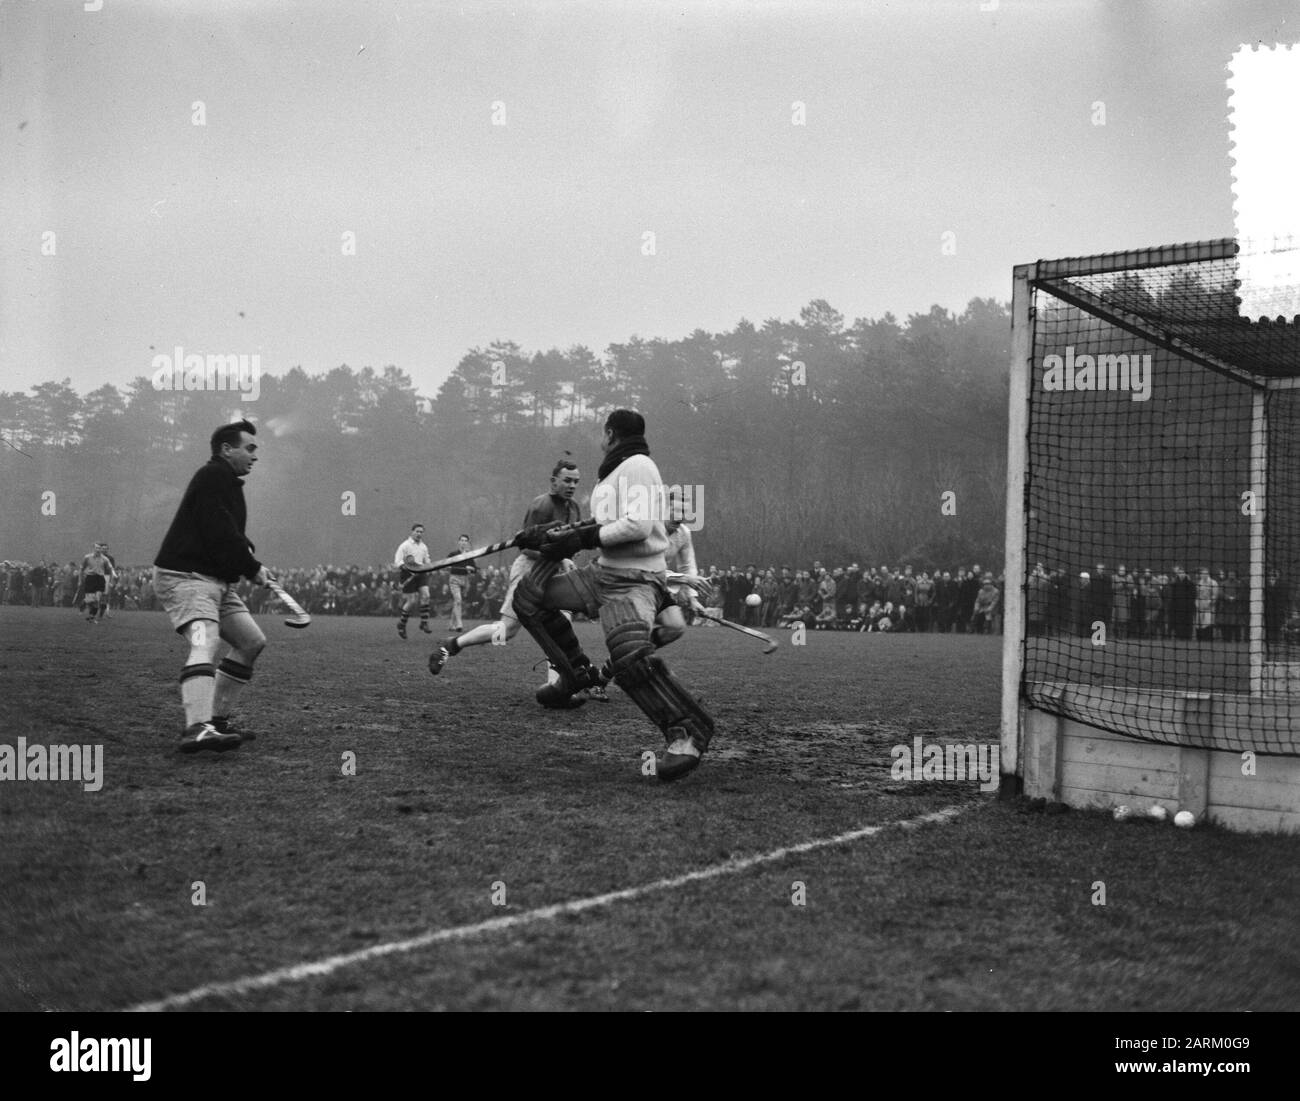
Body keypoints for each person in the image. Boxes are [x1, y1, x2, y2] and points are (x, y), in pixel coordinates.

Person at [509, 409, 716, 782]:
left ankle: (687, 733)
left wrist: (579, 538)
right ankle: (574, 676)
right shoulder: (615, 472)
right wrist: (551, 536)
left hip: (634, 579)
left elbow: (636, 527)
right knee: (529, 598)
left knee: (628, 653)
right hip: (603, 573)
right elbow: (602, 527)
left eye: (601, 434)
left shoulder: (637, 464)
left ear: (610, 434)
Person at [428, 459, 607, 701]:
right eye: (567, 480)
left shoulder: (573, 508)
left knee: (560, 626)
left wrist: (566, 557)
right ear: (553, 481)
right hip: (530, 571)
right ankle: (452, 644)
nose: (572, 485)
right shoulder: (541, 506)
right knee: (507, 630)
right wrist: (561, 557)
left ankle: (560, 688)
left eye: (576, 481)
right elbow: (527, 548)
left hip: (554, 571)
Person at [152, 419, 274, 753]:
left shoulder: (226, 482)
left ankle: (215, 721)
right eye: (249, 448)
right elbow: (218, 530)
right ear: (226, 449)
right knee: (205, 640)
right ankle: (196, 728)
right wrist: (252, 568)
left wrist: (245, 550)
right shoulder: (214, 476)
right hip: (186, 577)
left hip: (216, 582)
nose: (255, 456)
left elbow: (222, 529)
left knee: (250, 642)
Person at [392, 523, 434, 638]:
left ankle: (424, 623)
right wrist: (406, 568)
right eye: (417, 531)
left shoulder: (424, 547)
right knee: (412, 601)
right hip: (407, 574)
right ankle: (402, 624)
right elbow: (398, 561)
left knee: (426, 595)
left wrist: (430, 567)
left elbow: (427, 560)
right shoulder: (404, 546)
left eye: (421, 532)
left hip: (421, 573)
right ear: (412, 532)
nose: (419, 534)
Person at [79, 543, 116, 623]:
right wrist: (80, 579)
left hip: (100, 578)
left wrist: (111, 581)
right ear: (93, 548)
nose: (98, 550)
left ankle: (92, 617)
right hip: (90, 578)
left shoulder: (105, 559)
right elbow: (81, 568)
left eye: (99, 548)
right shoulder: (87, 557)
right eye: (97, 548)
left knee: (97, 599)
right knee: (90, 600)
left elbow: (111, 570)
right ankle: (85, 601)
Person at [445, 534, 476, 631]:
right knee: (458, 600)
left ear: (468, 543)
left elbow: (474, 569)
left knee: (457, 602)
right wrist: (449, 566)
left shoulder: (469, 555)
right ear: (458, 542)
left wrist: (471, 568)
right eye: (462, 540)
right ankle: (459, 624)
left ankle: (451, 624)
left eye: (465, 541)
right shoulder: (453, 554)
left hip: (465, 580)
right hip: (454, 579)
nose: (463, 542)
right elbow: (445, 564)